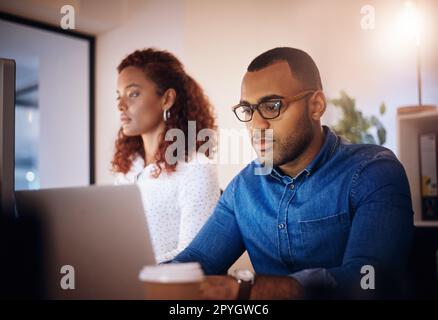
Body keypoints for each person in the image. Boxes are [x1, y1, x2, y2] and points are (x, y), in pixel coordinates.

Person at [171, 47, 414, 299]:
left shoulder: (373, 172)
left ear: (316, 105)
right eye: (248, 110)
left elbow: (370, 280)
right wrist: (147, 279)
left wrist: (255, 290)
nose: (256, 125)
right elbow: (196, 260)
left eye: (272, 106)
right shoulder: (243, 188)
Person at [112, 48, 220, 263]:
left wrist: (130, 269)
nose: (121, 105)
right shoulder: (129, 169)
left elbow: (192, 258)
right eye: (119, 96)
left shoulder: (196, 168)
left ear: (167, 99)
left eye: (133, 94)